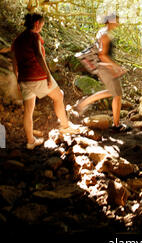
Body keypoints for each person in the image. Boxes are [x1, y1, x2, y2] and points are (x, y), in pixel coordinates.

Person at [12, 13, 80, 150]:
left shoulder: (17, 40)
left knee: (28, 111)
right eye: (42, 24)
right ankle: (65, 126)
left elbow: (14, 62)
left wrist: (17, 79)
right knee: (59, 96)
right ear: (37, 23)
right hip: (37, 76)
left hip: (24, 79)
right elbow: (38, 55)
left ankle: (30, 141)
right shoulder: (34, 36)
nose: (42, 27)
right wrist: (48, 75)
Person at [75, 14, 128, 131]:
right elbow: (102, 55)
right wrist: (116, 67)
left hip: (104, 67)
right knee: (117, 95)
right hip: (105, 67)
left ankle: (83, 104)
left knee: (113, 93)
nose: (118, 23)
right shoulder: (105, 34)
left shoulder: (103, 32)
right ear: (110, 21)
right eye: (116, 21)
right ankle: (116, 125)